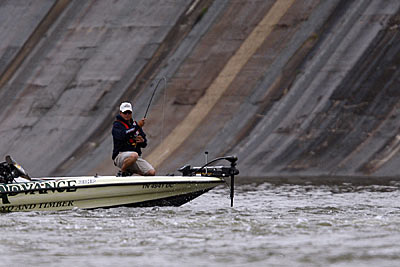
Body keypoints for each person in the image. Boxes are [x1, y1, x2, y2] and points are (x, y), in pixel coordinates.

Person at [112, 102, 155, 176]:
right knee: (134, 155)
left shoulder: (135, 125)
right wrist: (137, 126)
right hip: (120, 156)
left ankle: (131, 173)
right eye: (125, 112)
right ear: (120, 113)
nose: (127, 114)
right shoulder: (117, 126)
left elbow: (144, 144)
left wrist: (142, 141)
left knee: (151, 172)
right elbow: (123, 135)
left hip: (135, 157)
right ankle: (122, 172)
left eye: (129, 112)